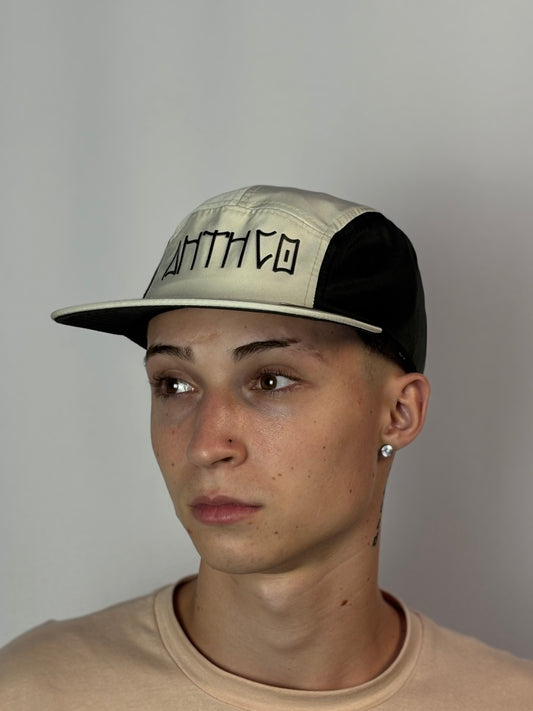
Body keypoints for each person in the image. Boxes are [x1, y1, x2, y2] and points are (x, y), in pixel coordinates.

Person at [1, 185, 531, 709]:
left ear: (398, 412)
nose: (206, 446)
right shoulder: (32, 691)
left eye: (272, 380)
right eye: (174, 384)